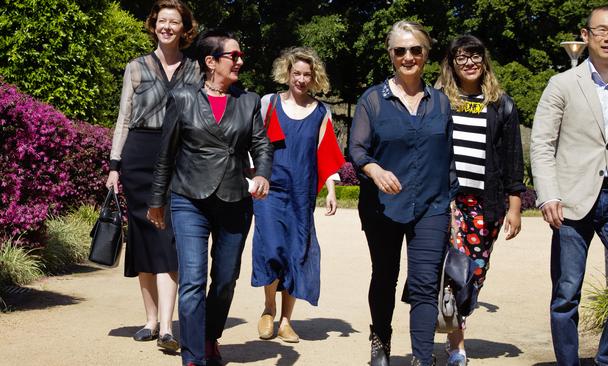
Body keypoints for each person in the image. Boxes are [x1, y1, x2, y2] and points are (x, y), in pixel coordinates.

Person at [530, 5, 608, 365]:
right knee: (566, 292)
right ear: (586, 35)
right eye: (602, 30)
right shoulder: (562, 84)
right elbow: (542, 143)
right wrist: (548, 193)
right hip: (571, 201)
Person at [147, 29, 273, 366]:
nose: (240, 61)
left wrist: (261, 173)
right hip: (189, 199)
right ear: (210, 62)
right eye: (234, 56)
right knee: (192, 280)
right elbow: (165, 154)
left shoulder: (248, 101)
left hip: (234, 200)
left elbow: (261, 144)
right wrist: (157, 201)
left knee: (226, 280)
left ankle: (209, 336)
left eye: (240, 55)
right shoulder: (183, 98)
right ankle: (193, 356)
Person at [349, 20, 458, 366]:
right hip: (383, 206)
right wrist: (374, 170)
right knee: (385, 276)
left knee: (426, 284)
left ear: (426, 54)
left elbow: (449, 158)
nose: (408, 56)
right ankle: (380, 341)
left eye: (415, 50)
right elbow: (357, 149)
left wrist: (453, 206)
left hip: (432, 205)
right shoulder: (373, 100)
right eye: (400, 50)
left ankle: (422, 359)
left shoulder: (441, 103)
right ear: (391, 55)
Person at [105, 0, 200, 352]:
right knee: (144, 238)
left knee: (170, 236)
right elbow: (124, 118)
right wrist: (115, 166)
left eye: (174, 22)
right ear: (153, 25)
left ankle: (167, 326)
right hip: (139, 155)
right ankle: (151, 321)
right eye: (162, 21)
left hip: (179, 156)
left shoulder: (195, 70)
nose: (167, 27)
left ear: (184, 28)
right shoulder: (136, 67)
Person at [434, 35, 525, 366]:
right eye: (461, 57)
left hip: (486, 204)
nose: (469, 62)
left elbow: (513, 159)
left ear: (484, 62)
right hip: (447, 200)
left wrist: (515, 207)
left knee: (474, 271)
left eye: (475, 56)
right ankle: (457, 343)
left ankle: (454, 322)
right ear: (452, 64)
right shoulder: (440, 100)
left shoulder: (501, 104)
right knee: (447, 270)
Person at [252, 47, 345, 343]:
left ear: (314, 77)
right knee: (270, 249)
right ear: (287, 74)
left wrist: (330, 190)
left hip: (302, 192)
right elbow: (254, 143)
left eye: (307, 74)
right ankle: (268, 308)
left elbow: (326, 153)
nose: (301, 79)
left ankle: (286, 321)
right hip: (270, 190)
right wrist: (253, 177)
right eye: (296, 74)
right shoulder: (269, 103)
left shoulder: (321, 112)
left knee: (296, 252)